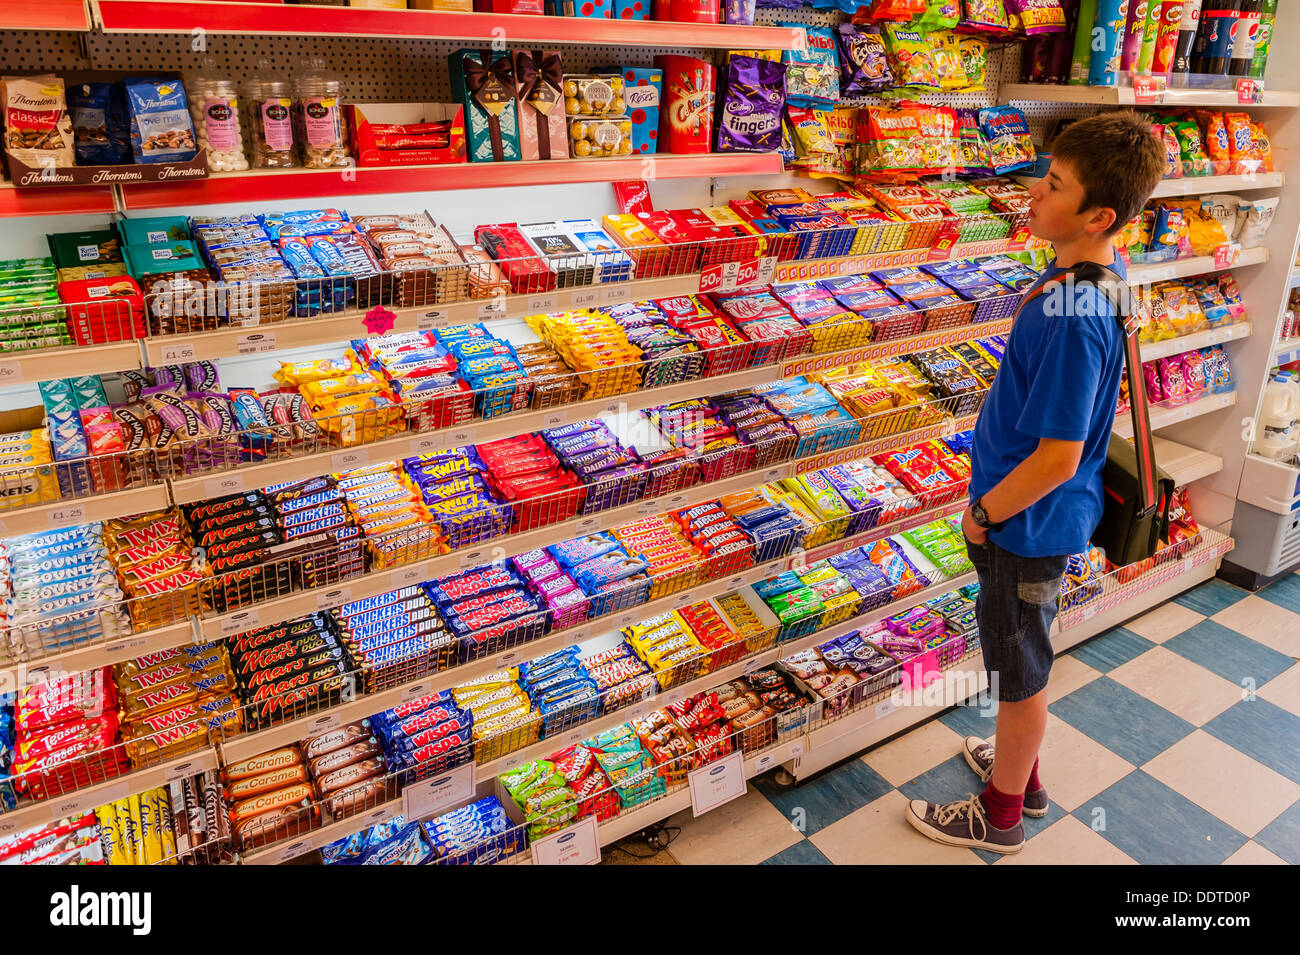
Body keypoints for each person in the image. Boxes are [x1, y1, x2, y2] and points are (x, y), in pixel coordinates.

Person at [905, 112, 1166, 854]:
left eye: (1053, 185)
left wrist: (984, 512)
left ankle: (1002, 812)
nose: (1034, 193)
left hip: (1025, 521)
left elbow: (1056, 454)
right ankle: (1025, 773)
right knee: (1021, 660)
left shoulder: (1073, 315)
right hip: (1032, 516)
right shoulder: (1087, 279)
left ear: (1098, 215)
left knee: (1020, 677)